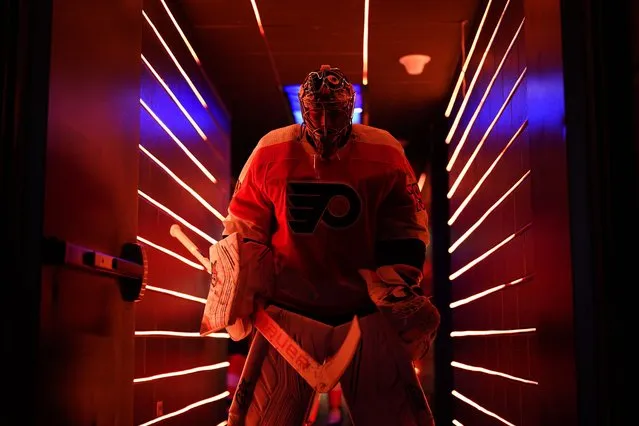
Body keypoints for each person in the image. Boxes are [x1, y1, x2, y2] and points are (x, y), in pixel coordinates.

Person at [219, 65, 440, 425]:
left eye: (334, 112)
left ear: (349, 109)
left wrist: (398, 282)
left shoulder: (383, 150)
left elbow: (407, 221)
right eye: (316, 111)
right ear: (304, 109)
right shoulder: (270, 150)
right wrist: (239, 280)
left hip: (365, 314)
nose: (324, 122)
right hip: (290, 313)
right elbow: (244, 224)